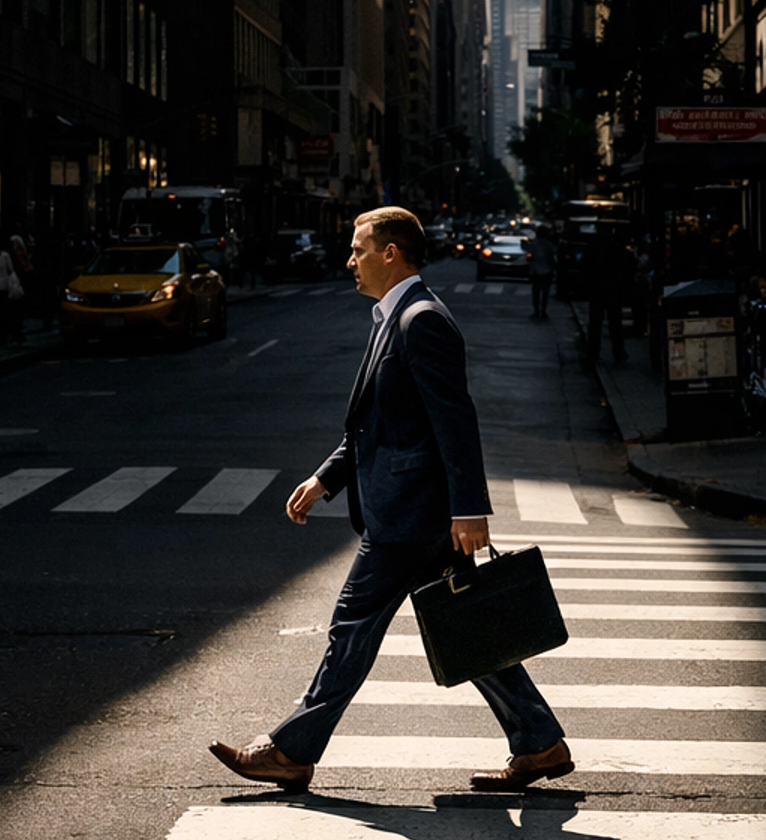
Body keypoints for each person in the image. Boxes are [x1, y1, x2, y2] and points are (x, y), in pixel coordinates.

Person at [209, 205, 572, 796]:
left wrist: (469, 508)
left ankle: (291, 752)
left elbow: (455, 421)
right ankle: (539, 741)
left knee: (351, 626)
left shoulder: (421, 320)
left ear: (390, 253)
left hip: (409, 515)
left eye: (357, 250)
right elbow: (378, 424)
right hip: (413, 513)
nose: (349, 260)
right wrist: (326, 479)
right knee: (466, 625)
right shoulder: (393, 317)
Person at [583, 230, 630, 364]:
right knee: (615, 323)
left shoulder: (592, 250)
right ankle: (618, 351)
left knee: (595, 323)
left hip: (597, 290)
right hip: (612, 289)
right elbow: (624, 267)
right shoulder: (616, 250)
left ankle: (593, 352)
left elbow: (585, 268)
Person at [527, 223, 554, 321]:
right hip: (546, 271)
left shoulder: (535, 244)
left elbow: (530, 256)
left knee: (536, 293)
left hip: (537, 271)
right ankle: (542, 311)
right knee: (544, 293)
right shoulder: (549, 245)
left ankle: (537, 311)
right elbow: (552, 258)